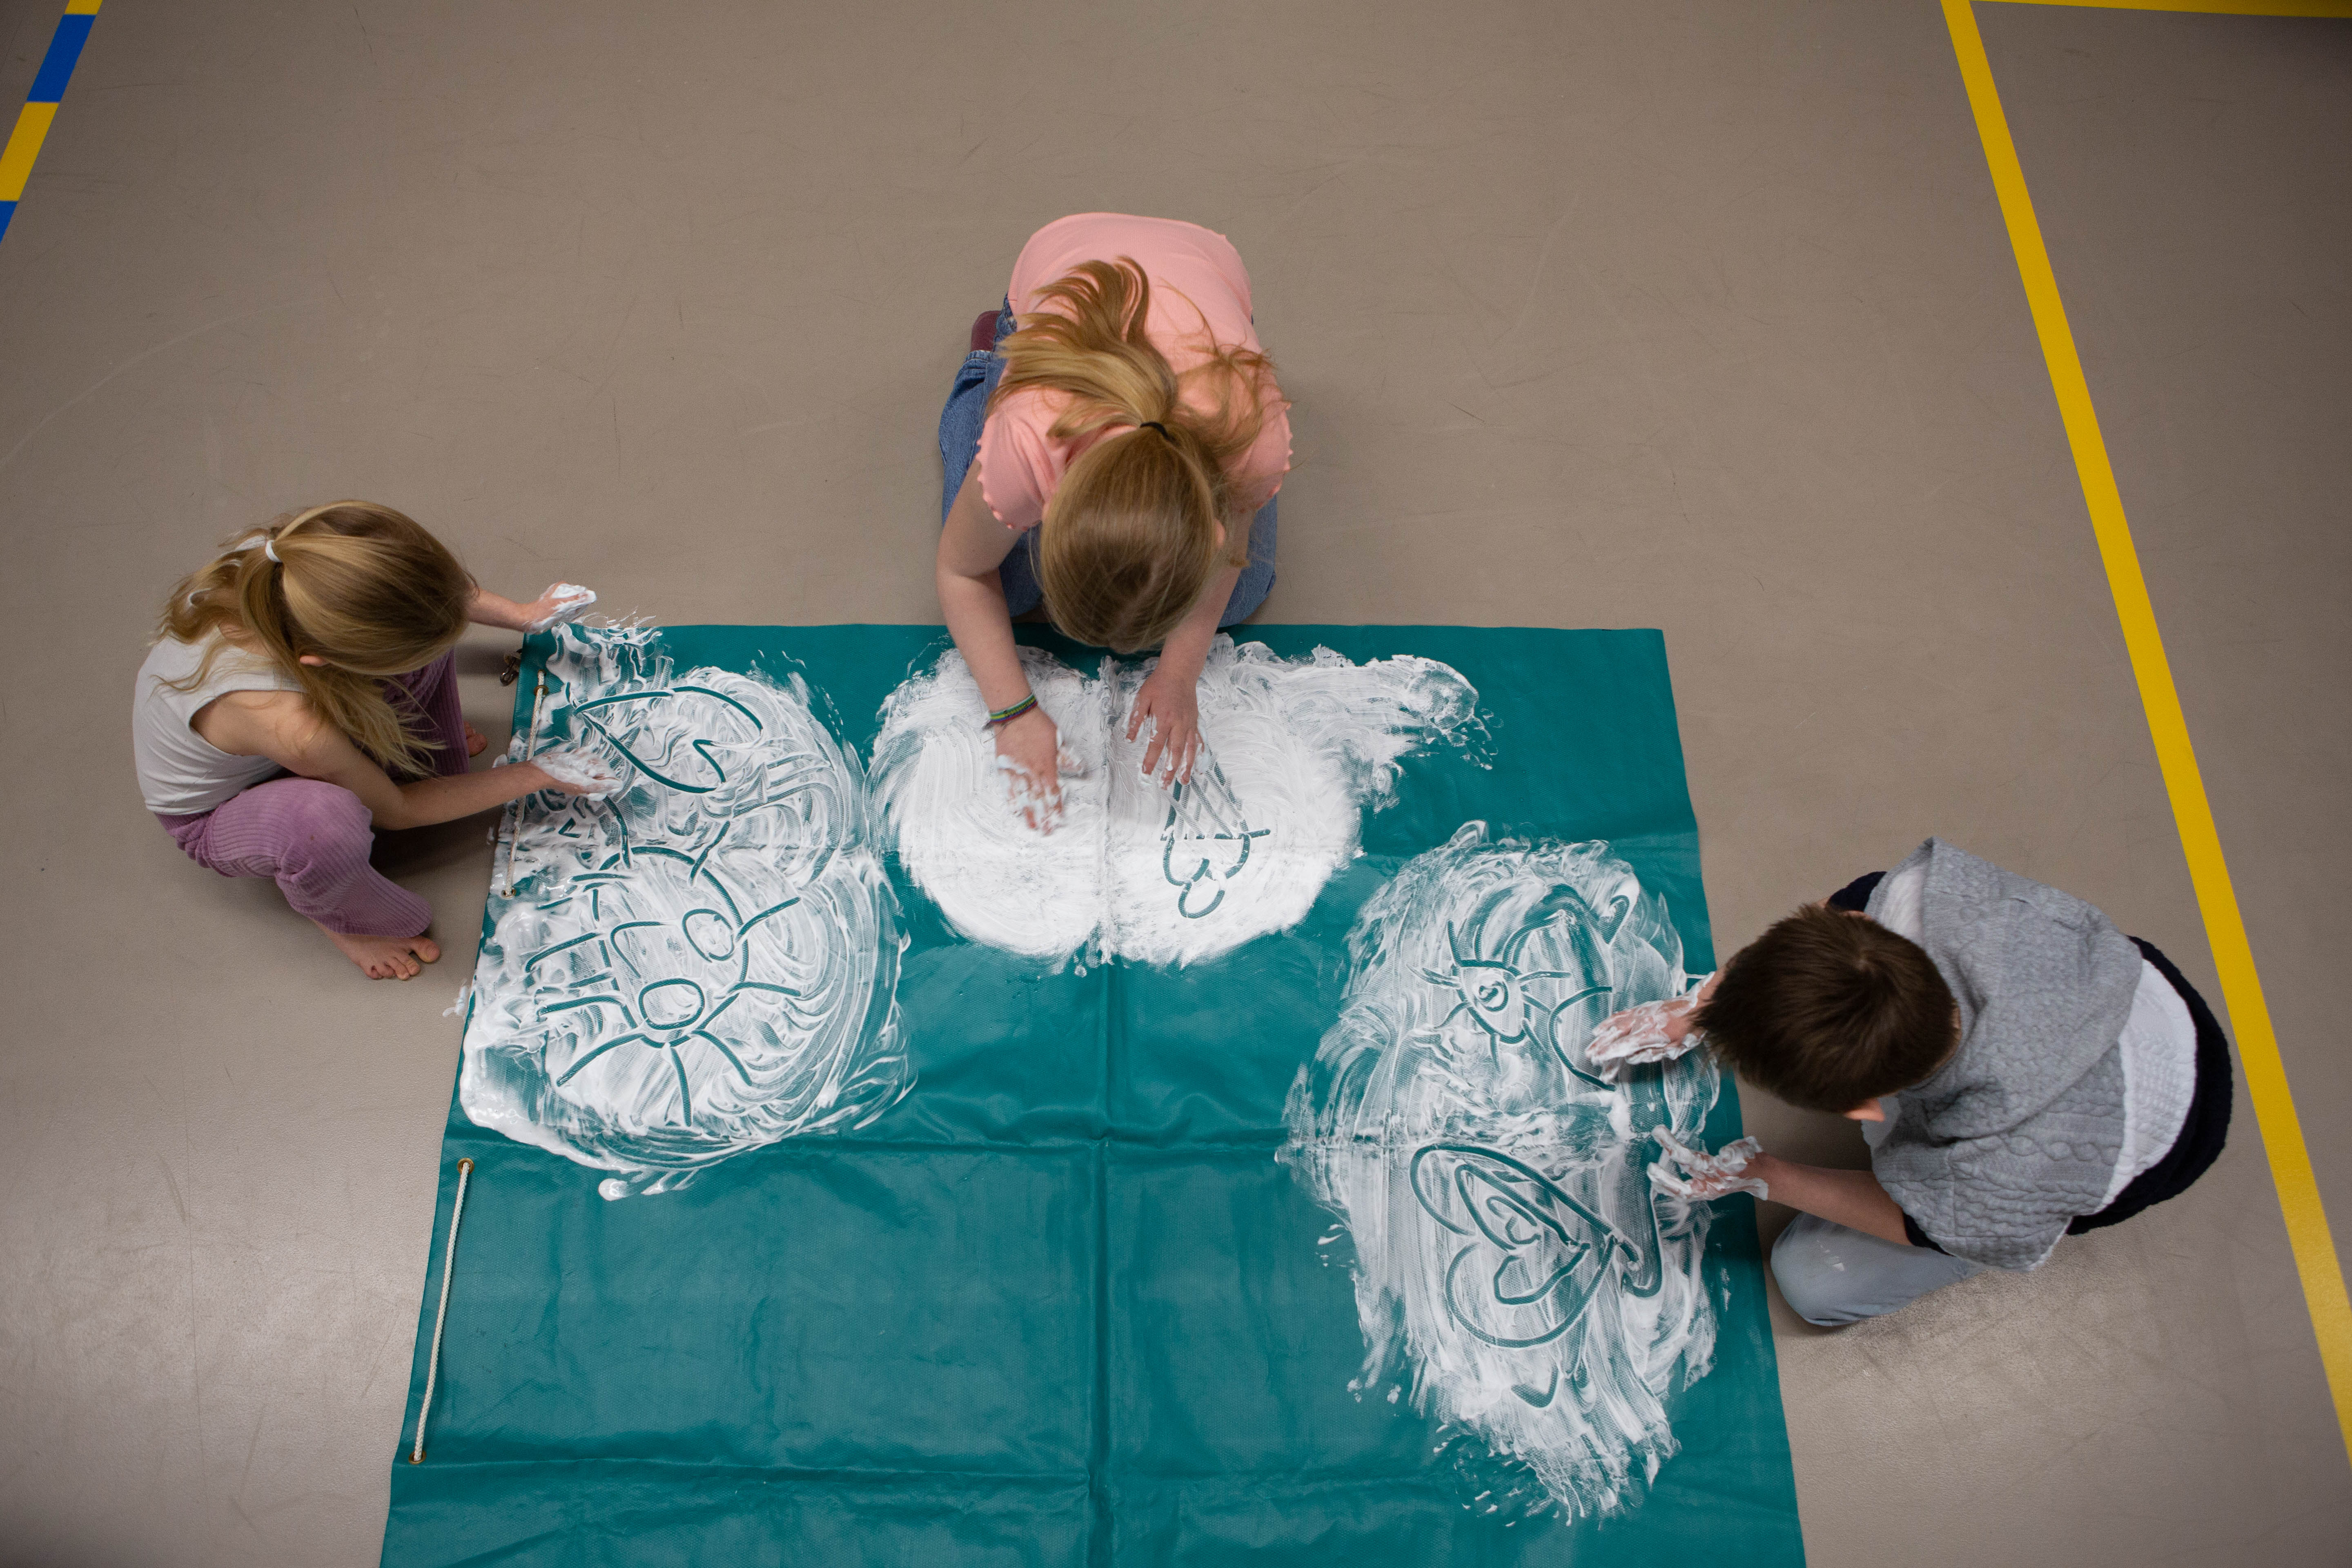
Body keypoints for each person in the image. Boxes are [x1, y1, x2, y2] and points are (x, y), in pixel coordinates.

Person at [1607, 838, 2232, 1326]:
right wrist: (1703, 1006)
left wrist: (1767, 1175)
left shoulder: (1998, 1177)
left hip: (2159, 1129)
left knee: (1813, 1279)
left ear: (1863, 1107)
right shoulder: (1913, 909)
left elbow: (1919, 1224)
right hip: (2121, 991)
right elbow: (1822, 928)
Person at [134, 502, 611, 980]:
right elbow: (397, 810)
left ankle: (362, 750)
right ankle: (344, 921)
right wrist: (535, 774)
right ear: (320, 659)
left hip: (299, 722)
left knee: (423, 638)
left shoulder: (309, 560)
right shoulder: (291, 725)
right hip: (223, 812)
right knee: (323, 824)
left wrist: (524, 616)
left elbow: (425, 592)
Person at [934, 213, 1292, 825]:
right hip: (1061, 272)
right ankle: (988, 358)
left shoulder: (1253, 442)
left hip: (1206, 287)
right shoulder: (1030, 436)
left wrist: (1179, 672)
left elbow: (1234, 552)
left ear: (1212, 528)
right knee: (1008, 589)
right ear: (1050, 506)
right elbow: (959, 570)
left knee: (1243, 592)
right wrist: (1013, 713)